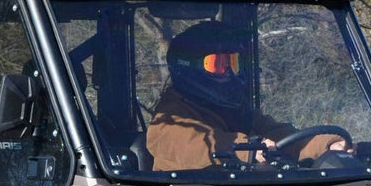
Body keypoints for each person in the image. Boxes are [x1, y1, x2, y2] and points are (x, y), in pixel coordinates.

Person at [146, 20, 350, 171]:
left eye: (234, 63)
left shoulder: (233, 111)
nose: (231, 73)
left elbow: (278, 134)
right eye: (219, 64)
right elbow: (195, 143)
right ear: (190, 69)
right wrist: (246, 149)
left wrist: (328, 145)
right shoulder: (170, 118)